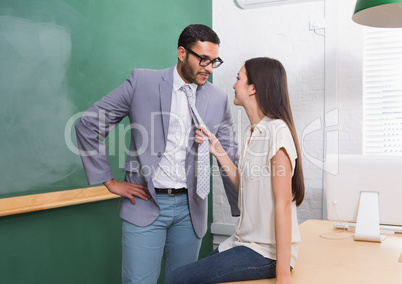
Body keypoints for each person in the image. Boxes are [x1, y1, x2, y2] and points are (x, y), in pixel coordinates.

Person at [74, 24, 239, 284]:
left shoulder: (218, 98)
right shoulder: (142, 82)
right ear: (182, 53)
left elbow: (229, 153)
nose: (208, 68)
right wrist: (109, 181)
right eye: (203, 59)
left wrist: (242, 207)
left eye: (213, 61)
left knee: (184, 281)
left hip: (191, 208)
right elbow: (88, 124)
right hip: (146, 203)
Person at [165, 57, 305, 284]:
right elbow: (245, 185)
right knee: (183, 275)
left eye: (238, 79)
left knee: (177, 279)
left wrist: (283, 275)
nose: (233, 85)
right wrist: (217, 149)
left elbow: (283, 206)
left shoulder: (277, 131)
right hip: (241, 243)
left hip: (266, 252)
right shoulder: (253, 132)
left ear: (253, 88)